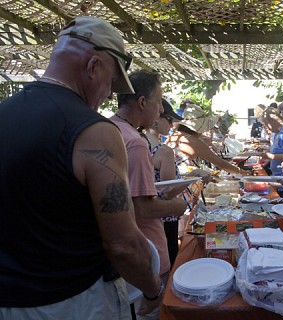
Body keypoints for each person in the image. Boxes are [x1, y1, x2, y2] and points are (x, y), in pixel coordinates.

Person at [0, 16, 162, 319]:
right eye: (112, 81)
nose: (110, 94)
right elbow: (123, 245)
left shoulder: (4, 113)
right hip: (74, 302)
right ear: (93, 66)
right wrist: (153, 290)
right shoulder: (94, 132)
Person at [112, 71, 187, 318]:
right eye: (159, 101)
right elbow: (142, 208)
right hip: (144, 253)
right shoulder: (135, 142)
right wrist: (176, 207)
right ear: (143, 102)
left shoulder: (108, 129)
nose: (160, 111)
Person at [145, 98, 211, 267]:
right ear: (156, 119)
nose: (172, 123)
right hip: (166, 216)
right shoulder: (164, 151)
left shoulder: (138, 144)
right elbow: (169, 191)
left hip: (147, 215)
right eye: (168, 119)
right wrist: (193, 176)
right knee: (170, 260)